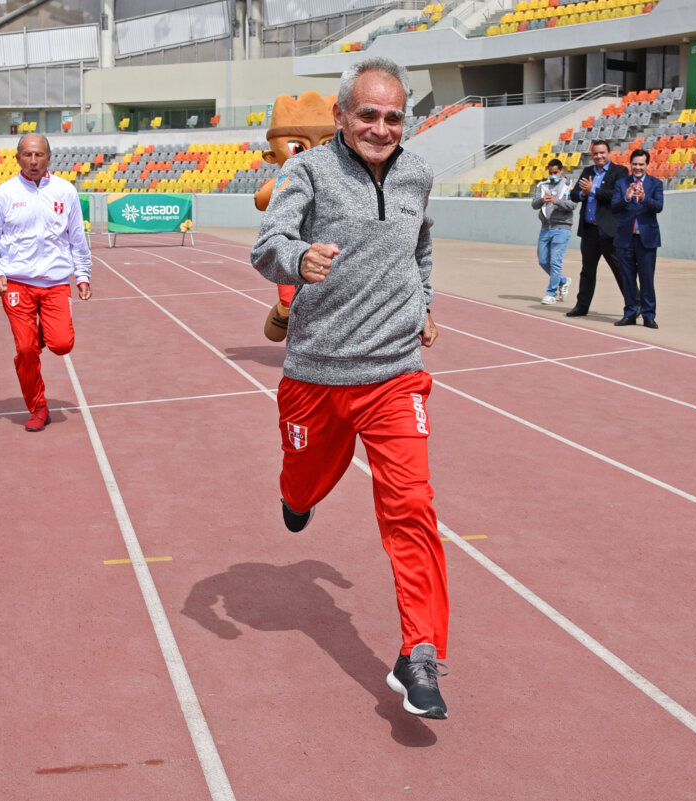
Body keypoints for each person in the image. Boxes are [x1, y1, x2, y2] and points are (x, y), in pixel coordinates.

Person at [251, 56, 449, 720]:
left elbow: (421, 243)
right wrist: (296, 258)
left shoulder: (419, 172)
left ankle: (420, 650)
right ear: (341, 116)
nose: (382, 127)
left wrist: (423, 301)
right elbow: (267, 243)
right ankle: (296, 493)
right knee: (304, 484)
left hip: (395, 375)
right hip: (317, 376)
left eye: (395, 117)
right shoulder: (306, 171)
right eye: (368, 114)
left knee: (412, 507)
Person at [0, 132, 92, 432]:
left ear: (48, 158)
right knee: (26, 350)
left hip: (55, 283)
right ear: (17, 158)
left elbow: (77, 239)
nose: (33, 161)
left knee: (62, 344)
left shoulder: (65, 192)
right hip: (17, 283)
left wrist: (82, 274)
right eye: (27, 154)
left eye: (39, 155)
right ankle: (38, 407)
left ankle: (38, 333)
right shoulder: (5, 194)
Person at [253, 91, 338, 342]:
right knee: (290, 295)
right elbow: (263, 200)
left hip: (331, 247)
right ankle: (284, 311)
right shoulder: (288, 179)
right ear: (272, 157)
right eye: (298, 148)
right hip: (295, 247)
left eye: (327, 143)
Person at [566, 139, 628, 317]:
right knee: (587, 271)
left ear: (609, 153)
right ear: (592, 155)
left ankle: (634, 303)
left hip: (609, 231)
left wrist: (593, 190)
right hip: (589, 230)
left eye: (602, 153)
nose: (599, 156)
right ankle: (582, 306)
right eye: (595, 153)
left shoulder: (620, 171)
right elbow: (574, 195)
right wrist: (583, 193)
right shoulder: (587, 171)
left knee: (619, 269)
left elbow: (618, 195)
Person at [610, 149, 664, 329]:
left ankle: (648, 316)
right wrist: (626, 198)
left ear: (647, 165)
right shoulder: (621, 183)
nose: (638, 168)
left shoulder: (655, 184)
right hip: (625, 239)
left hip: (647, 239)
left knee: (647, 279)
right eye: (635, 164)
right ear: (630, 164)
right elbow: (614, 207)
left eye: (641, 164)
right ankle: (630, 313)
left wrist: (644, 198)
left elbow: (659, 207)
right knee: (627, 278)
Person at [530, 158, 576, 305]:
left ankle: (551, 293)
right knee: (543, 260)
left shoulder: (570, 185)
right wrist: (543, 200)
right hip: (545, 228)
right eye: (550, 173)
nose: (553, 175)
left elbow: (573, 204)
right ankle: (563, 280)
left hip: (562, 228)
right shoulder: (543, 185)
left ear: (562, 171)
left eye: (555, 172)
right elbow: (534, 205)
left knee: (555, 261)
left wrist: (557, 201)